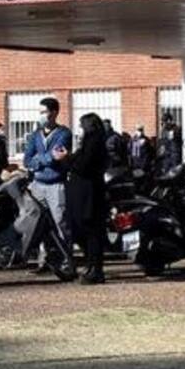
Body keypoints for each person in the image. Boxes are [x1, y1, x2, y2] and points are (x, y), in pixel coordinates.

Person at [22, 98, 72, 268]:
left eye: (44, 112)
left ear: (54, 112)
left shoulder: (64, 133)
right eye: (40, 112)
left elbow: (56, 156)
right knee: (38, 222)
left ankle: (66, 259)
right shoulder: (35, 134)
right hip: (37, 185)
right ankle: (45, 258)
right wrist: (41, 160)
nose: (41, 115)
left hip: (55, 184)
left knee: (60, 221)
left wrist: (40, 160)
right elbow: (27, 160)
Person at [65, 113, 108, 285]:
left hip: (89, 192)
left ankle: (95, 269)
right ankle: (91, 265)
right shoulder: (90, 141)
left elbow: (84, 165)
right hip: (82, 190)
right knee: (82, 230)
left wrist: (67, 160)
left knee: (91, 231)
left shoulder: (95, 141)